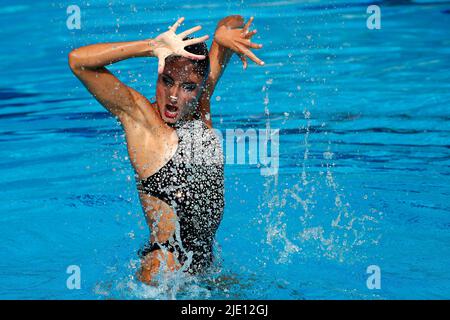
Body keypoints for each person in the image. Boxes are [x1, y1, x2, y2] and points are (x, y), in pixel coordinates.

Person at [68, 15, 264, 284]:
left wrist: (222, 33)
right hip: (163, 269)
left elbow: (234, 20)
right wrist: (151, 47)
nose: (174, 96)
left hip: (206, 269)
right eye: (167, 81)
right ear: (158, 74)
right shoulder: (141, 120)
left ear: (199, 88)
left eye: (187, 87)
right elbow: (78, 62)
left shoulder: (199, 107)